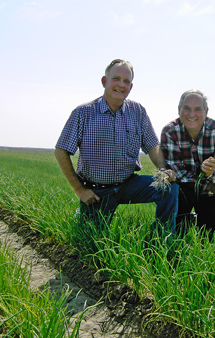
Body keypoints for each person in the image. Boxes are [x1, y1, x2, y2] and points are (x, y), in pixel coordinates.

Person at [54, 59, 179, 240]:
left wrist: (163, 168)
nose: (121, 85)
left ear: (131, 86)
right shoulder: (83, 113)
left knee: (168, 187)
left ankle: (160, 240)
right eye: (116, 79)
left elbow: (152, 145)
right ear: (104, 82)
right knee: (91, 243)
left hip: (128, 184)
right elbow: (61, 151)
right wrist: (79, 190)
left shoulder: (138, 112)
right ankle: (83, 214)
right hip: (98, 191)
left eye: (126, 81)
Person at [160, 89, 215, 240]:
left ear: (206, 111)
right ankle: (180, 231)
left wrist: (212, 174)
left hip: (212, 189)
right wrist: (208, 184)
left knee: (213, 239)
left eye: (197, 109)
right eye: (186, 108)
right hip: (183, 188)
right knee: (174, 235)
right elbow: (177, 171)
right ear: (179, 109)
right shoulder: (170, 131)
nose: (191, 114)